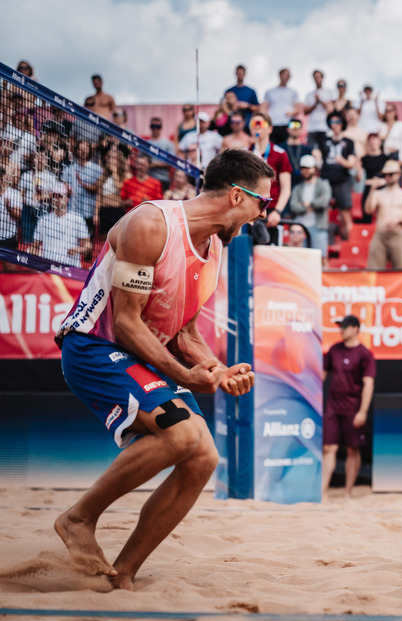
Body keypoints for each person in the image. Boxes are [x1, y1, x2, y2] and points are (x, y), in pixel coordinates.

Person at [53, 149, 267, 589]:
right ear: (234, 196)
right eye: (260, 203)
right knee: (182, 432)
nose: (261, 214)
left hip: (141, 354)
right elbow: (128, 323)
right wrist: (187, 376)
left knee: (204, 458)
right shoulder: (151, 225)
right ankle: (79, 518)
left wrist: (216, 368)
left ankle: (123, 572)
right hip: (94, 346)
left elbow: (184, 329)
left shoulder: (216, 250)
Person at [323, 315, 376, 498]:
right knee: (329, 448)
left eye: (344, 326)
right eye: (340, 326)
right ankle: (322, 493)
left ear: (355, 328)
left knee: (353, 449)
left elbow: (368, 384)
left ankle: (347, 492)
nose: (341, 330)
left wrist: (362, 411)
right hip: (333, 406)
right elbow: (322, 375)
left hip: (352, 407)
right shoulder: (334, 350)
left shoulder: (364, 354)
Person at [248, 112, 293, 244]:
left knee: (269, 252)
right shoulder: (245, 153)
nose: (257, 127)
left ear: (270, 128)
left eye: (260, 124)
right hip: (249, 211)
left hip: (271, 211)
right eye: (253, 124)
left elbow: (286, 188)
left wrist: (278, 212)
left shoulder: (280, 154)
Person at [365, 159, 402, 270]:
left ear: (398, 174)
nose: (387, 177)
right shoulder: (378, 194)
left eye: (390, 174)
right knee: (373, 271)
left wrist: (399, 220)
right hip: (380, 235)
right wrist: (372, 189)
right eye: (385, 175)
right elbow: (368, 210)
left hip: (397, 235)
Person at [288, 155, 332, 265]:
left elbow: (324, 202)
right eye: (303, 168)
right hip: (301, 227)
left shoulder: (323, 185)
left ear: (315, 169)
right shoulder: (298, 188)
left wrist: (306, 204)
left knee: (321, 258)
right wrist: (310, 207)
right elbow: (293, 206)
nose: (305, 171)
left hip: (318, 226)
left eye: (308, 168)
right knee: (299, 259)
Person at [320, 112, 358, 239]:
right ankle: (324, 243)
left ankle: (349, 245)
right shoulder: (324, 141)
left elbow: (352, 163)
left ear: (343, 124)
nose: (335, 125)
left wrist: (342, 161)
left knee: (346, 214)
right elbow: (318, 158)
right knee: (322, 213)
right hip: (325, 180)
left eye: (338, 122)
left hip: (342, 180)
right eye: (332, 122)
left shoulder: (349, 142)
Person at [263, 68, 300, 146]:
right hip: (273, 124)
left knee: (286, 147)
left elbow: (297, 109)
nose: (288, 77)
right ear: (280, 75)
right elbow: (263, 108)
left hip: (287, 125)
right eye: (286, 74)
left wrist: (291, 112)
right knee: (272, 146)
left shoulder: (293, 92)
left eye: (289, 75)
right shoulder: (270, 91)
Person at [303, 70, 334, 150]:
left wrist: (320, 100)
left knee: (325, 152)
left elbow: (331, 109)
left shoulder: (329, 92)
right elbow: (305, 111)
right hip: (312, 128)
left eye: (318, 77)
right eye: (315, 77)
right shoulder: (309, 94)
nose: (317, 79)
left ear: (322, 78)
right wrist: (315, 103)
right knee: (311, 151)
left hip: (324, 128)